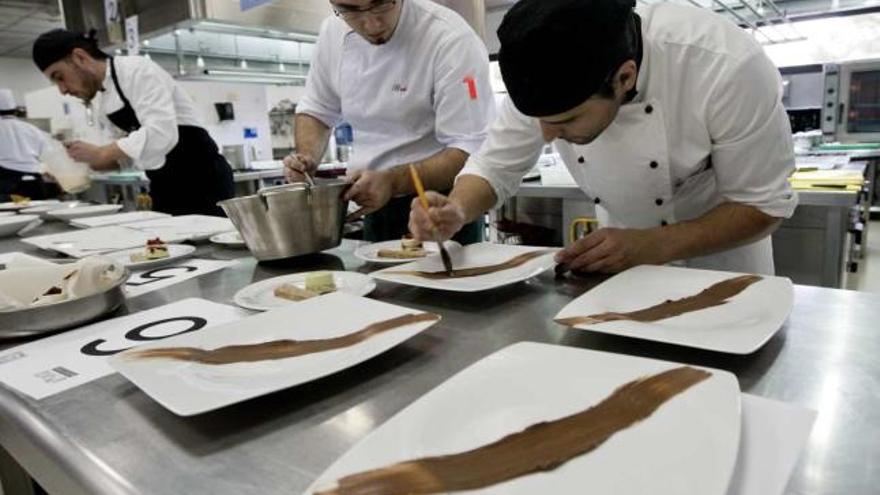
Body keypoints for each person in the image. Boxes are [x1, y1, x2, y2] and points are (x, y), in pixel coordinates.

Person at [409, 0, 798, 275]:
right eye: (539, 121)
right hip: (622, 268)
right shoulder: (545, 68)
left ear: (624, 77)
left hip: (723, 268)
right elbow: (495, 165)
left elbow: (761, 205)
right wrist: (456, 210)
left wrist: (651, 245)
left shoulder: (725, 66)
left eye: (566, 120)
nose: (546, 135)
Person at [285, 0, 494, 243]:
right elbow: (317, 109)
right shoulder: (333, 31)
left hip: (442, 204)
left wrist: (395, 182)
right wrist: (307, 157)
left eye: (382, 3)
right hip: (371, 204)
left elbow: (469, 148)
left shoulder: (450, 38)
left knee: (448, 279)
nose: (372, 24)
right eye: (350, 10)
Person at [32, 29, 234, 216]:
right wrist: (87, 163)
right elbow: (132, 154)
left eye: (60, 77)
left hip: (203, 179)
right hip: (164, 183)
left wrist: (102, 152)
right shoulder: (103, 100)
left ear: (80, 57)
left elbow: (161, 132)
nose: (62, 90)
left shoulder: (136, 70)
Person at [0, 88, 59, 201]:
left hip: (7, 185)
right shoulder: (32, 129)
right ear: (15, 110)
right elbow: (48, 155)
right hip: (35, 183)